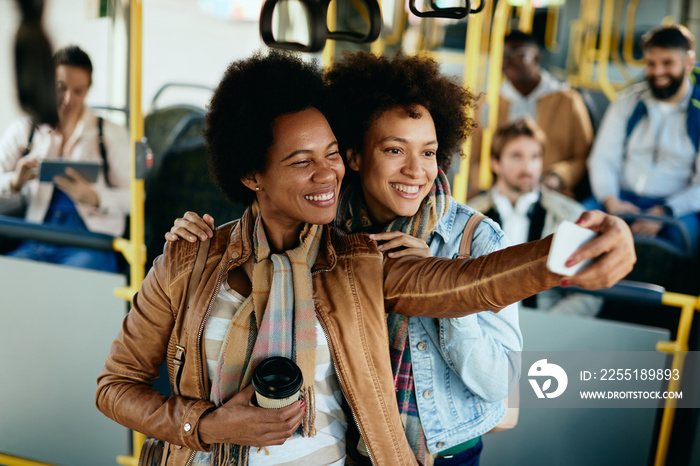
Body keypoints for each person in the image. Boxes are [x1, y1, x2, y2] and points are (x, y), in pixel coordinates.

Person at [98, 50, 634, 466]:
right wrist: (208, 427)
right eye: (301, 161)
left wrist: (566, 252)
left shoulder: (353, 258)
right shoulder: (189, 259)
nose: (328, 173)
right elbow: (115, 388)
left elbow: (468, 284)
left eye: (331, 154)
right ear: (250, 173)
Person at [0, 45, 130, 272]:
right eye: (61, 88)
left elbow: (135, 198)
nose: (68, 99)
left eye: (78, 91)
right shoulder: (25, 130)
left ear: (88, 89)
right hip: (37, 237)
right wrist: (15, 182)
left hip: (90, 242)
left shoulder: (109, 134)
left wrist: (95, 197)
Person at [469, 118, 603, 317]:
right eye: (517, 157)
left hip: (547, 333)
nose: (528, 167)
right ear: (495, 163)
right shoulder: (468, 215)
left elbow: (590, 290)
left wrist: (548, 328)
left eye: (535, 157)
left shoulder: (570, 215)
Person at [586, 24, 700, 256]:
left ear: (688, 62)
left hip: (675, 207)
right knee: (576, 223)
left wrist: (664, 212)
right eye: (651, 63)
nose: (658, 72)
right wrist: (611, 202)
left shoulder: (697, 111)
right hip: (620, 198)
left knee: (682, 241)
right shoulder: (628, 102)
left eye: (667, 63)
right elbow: (602, 159)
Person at [469, 31, 593, 198]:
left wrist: (558, 176)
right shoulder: (488, 102)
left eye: (518, 55)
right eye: (503, 56)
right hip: (500, 193)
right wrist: (485, 187)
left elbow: (584, 155)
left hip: (553, 194)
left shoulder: (568, 101)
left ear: (536, 58)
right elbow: (474, 157)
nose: (508, 62)